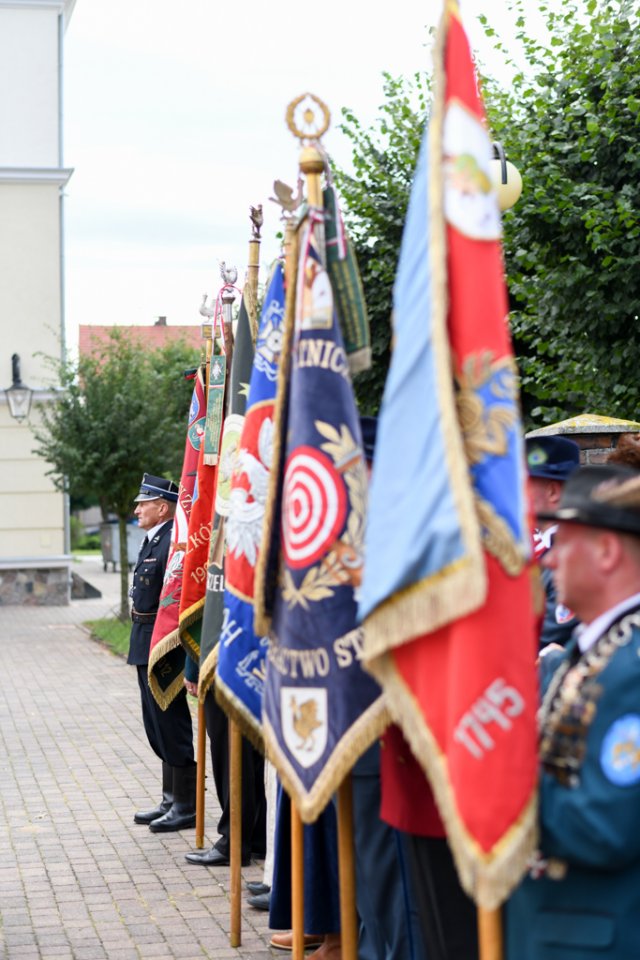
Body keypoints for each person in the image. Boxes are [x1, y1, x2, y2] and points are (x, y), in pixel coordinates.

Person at [506, 463, 640, 960]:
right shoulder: (592, 649)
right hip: (558, 929)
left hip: (599, 940)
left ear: (606, 551)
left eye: (564, 541)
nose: (550, 557)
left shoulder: (631, 667)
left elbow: (606, 825)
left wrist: (502, 781)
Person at [128, 472, 197, 832]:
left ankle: (186, 805)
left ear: (162, 506)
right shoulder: (154, 539)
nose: (137, 509)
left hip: (162, 641)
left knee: (171, 722)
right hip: (144, 638)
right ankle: (171, 798)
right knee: (155, 723)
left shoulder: (173, 541)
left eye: (144, 503)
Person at [526, 435, 581, 648]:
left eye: (524, 485)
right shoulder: (533, 545)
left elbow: (545, 638)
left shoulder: (573, 553)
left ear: (552, 491)